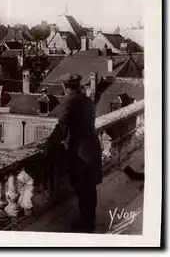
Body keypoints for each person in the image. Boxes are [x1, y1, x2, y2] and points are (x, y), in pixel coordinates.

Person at [44, 73, 103, 233]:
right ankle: (89, 220)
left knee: (82, 188)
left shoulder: (69, 102)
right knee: (90, 188)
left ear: (64, 86)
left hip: (80, 152)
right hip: (93, 147)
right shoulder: (88, 100)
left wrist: (48, 144)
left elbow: (62, 127)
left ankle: (86, 223)